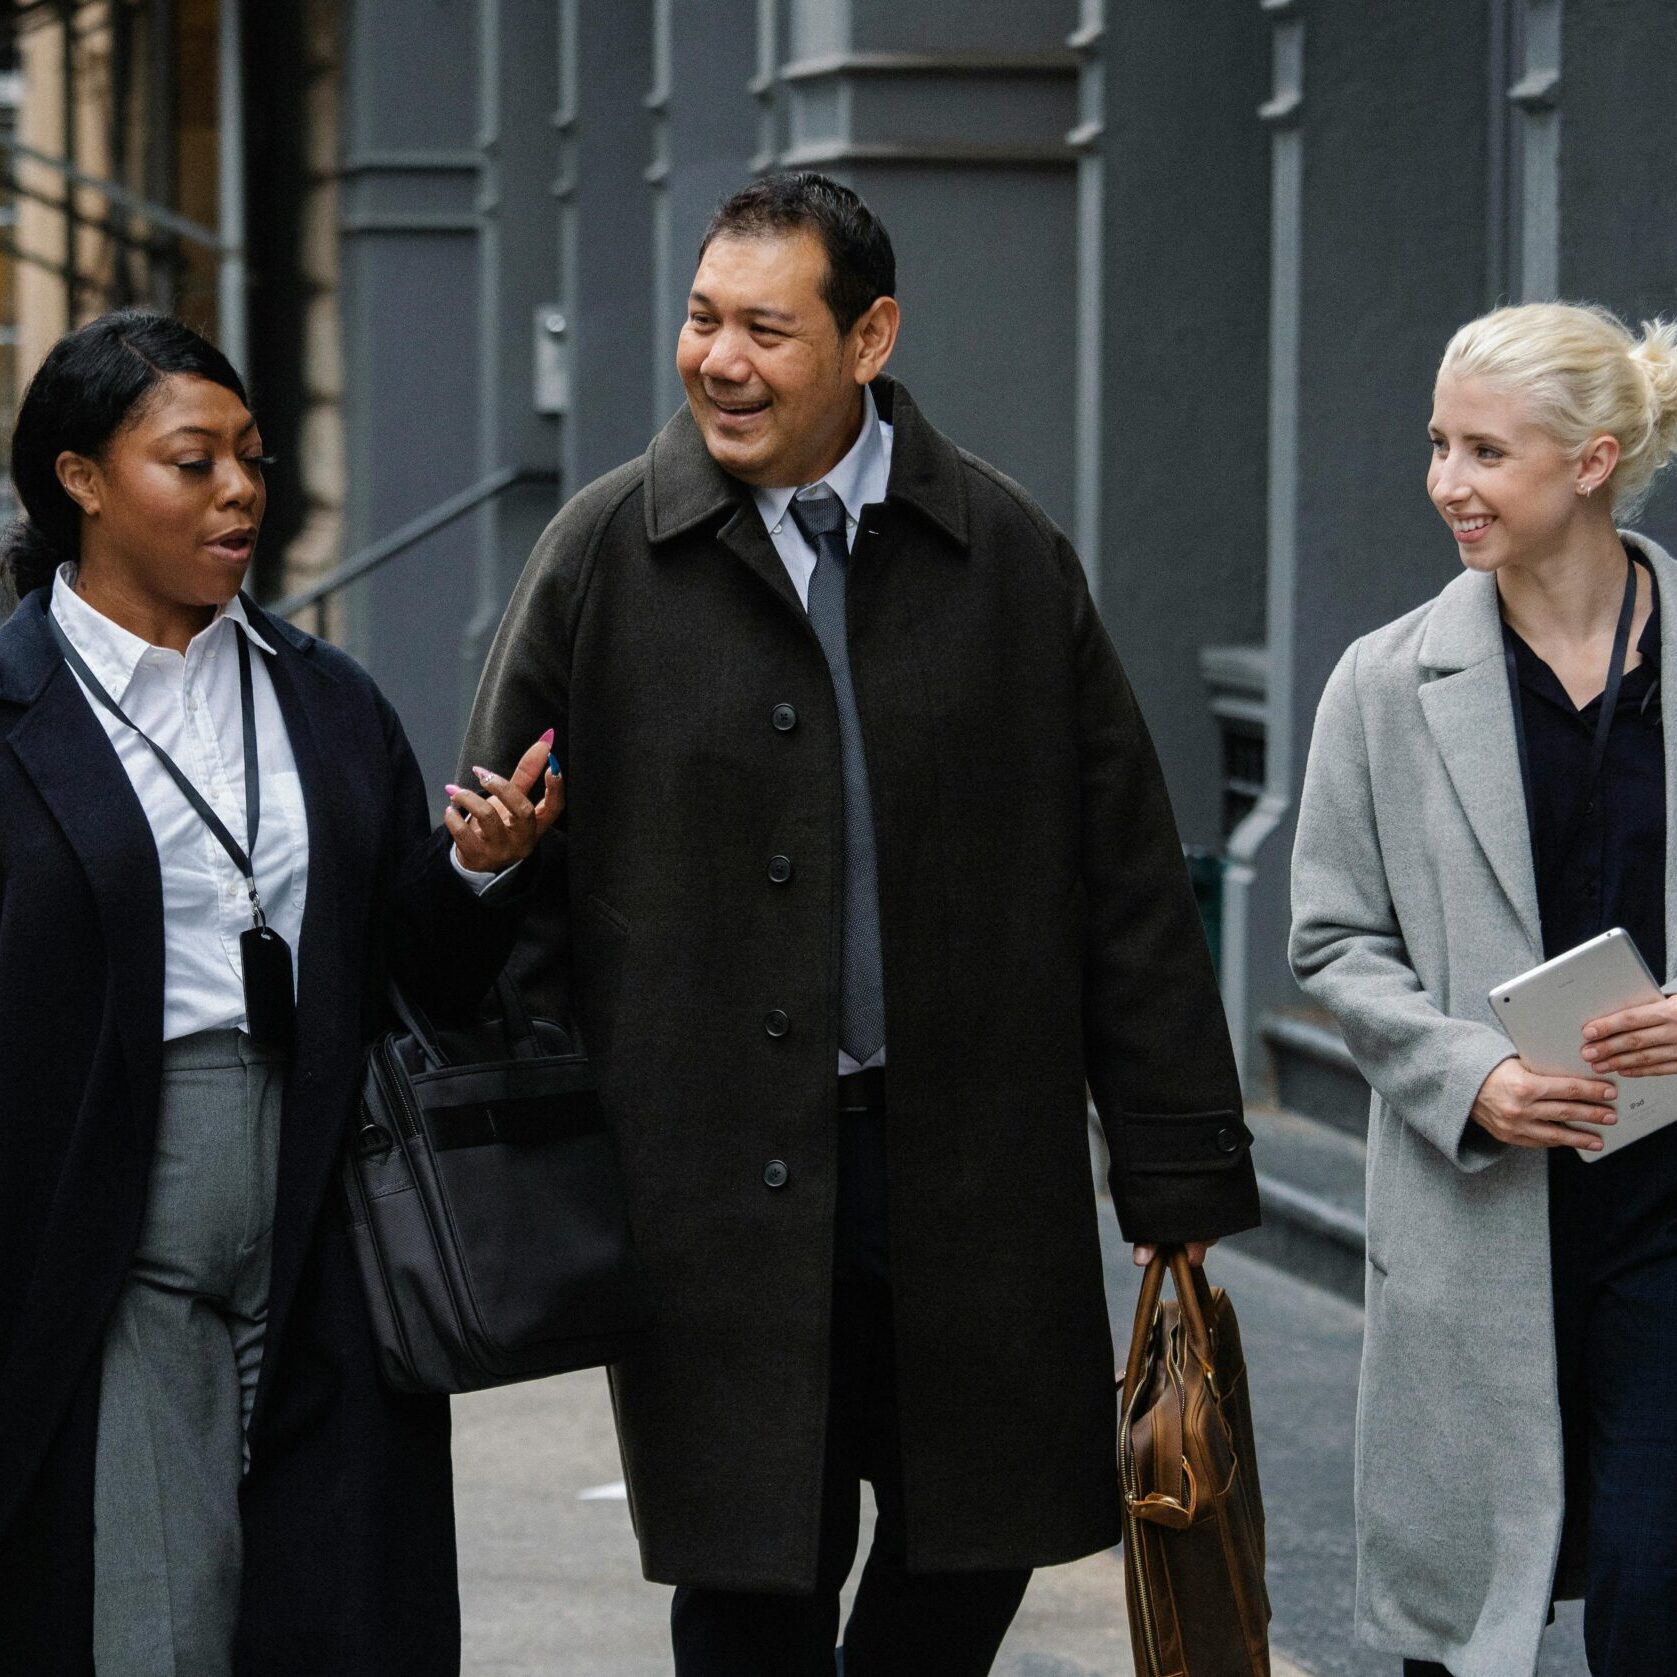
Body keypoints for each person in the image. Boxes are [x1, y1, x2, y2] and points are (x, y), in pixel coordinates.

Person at [462, 171, 1259, 1676]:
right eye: (703, 319)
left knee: (984, 1535)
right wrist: (502, 916)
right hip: (710, 1182)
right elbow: (500, 879)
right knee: (749, 1573)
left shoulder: (1004, 552)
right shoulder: (603, 551)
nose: (718, 359)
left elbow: (1127, 876)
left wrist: (1175, 1159)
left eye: (766, 327)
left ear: (870, 337)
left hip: (965, 1167)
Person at [0, 311, 560, 1677]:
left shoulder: (324, 699)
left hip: (326, 1209)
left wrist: (479, 872)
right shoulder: (14, 706)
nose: (241, 489)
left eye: (252, 456)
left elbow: (408, 966)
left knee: (329, 1602)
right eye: (193, 462)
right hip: (105, 1232)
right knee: (150, 1611)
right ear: (79, 479)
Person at [1291, 301, 1677, 1677]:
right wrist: (1475, 1076)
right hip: (1479, 1211)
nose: (1445, 481)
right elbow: (1332, 937)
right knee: (1460, 1629)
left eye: (1484, 452)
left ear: (1590, 462)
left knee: (1656, 1593)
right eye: (1436, 444)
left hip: (1664, 1207)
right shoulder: (1382, 683)